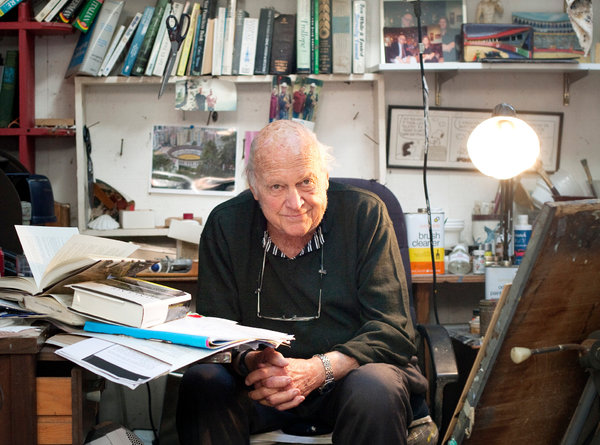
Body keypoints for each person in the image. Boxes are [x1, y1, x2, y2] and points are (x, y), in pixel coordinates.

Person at [176, 120, 435, 445]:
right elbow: (215, 333)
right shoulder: (225, 225)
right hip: (261, 388)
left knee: (375, 387)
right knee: (203, 382)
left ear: (325, 178)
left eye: (306, 182)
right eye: (276, 187)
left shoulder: (365, 214)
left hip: (348, 382)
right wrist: (255, 362)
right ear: (254, 189)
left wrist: (320, 369)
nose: (296, 202)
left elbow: (393, 330)